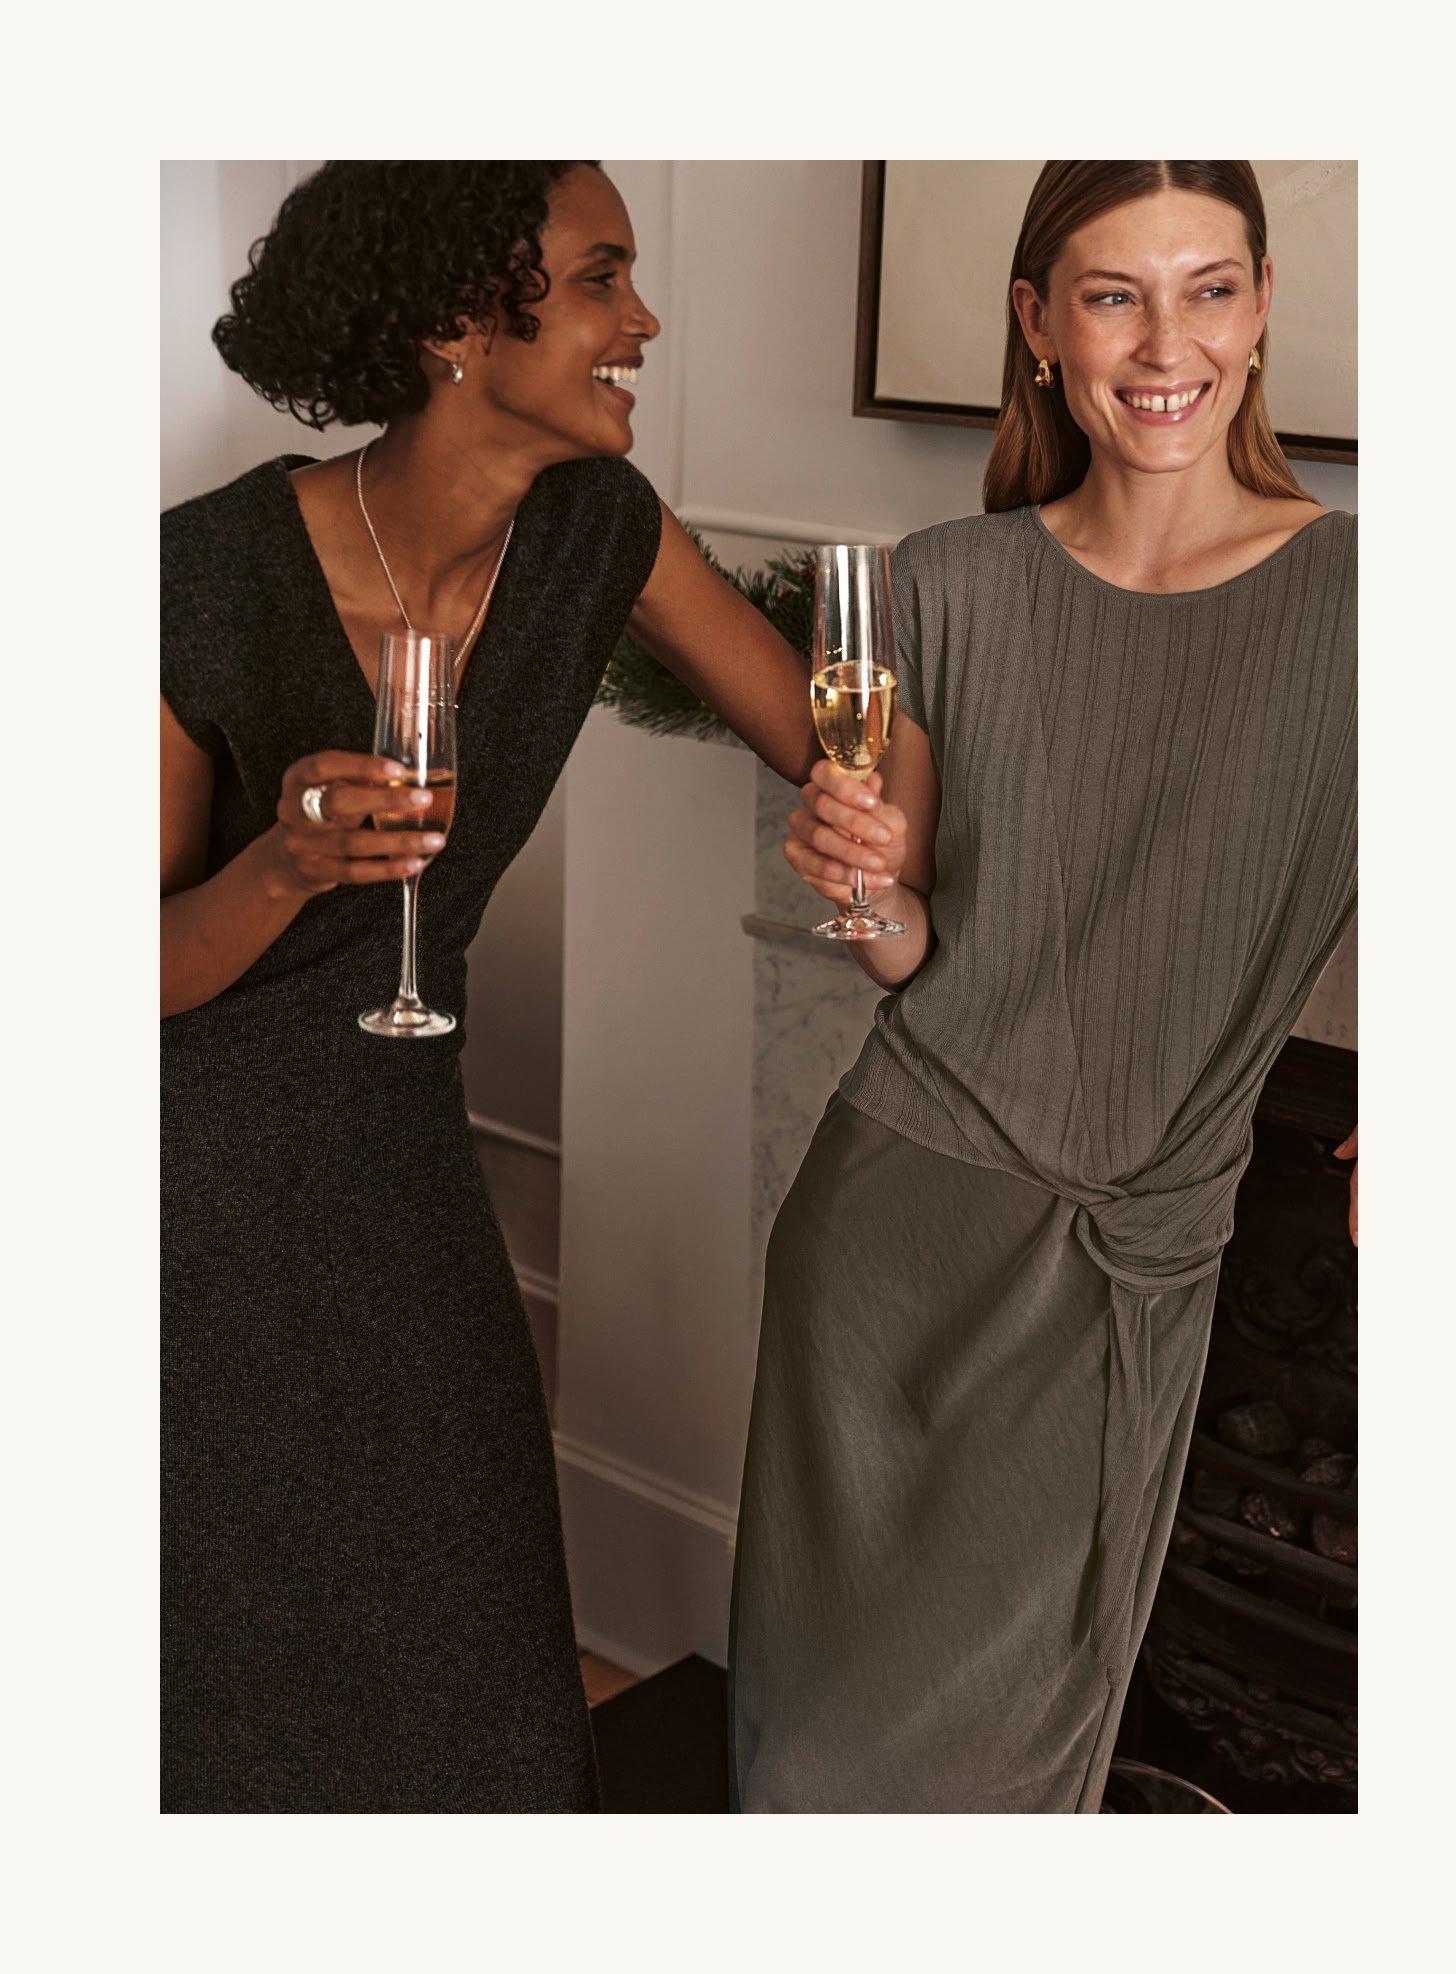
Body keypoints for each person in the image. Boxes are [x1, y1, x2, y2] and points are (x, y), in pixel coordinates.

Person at [160, 161, 814, 1812]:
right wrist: (285, 866)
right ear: (463, 320)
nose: (640, 319)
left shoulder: (600, 529)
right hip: (182, 1176)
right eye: (602, 278)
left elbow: (827, 734)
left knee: (488, 1668)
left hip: (393, 1145)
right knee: (230, 1668)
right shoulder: (200, 579)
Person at [730, 160, 1359, 1812]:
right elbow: (904, 946)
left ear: (1263, 304)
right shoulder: (940, 581)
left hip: (1122, 1253)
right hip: (886, 1230)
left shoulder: (1380, 606)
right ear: (1036, 326)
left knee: (1010, 1765)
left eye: (1209, 287)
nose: (1167, 343)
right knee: (805, 1764)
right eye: (1112, 293)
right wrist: (852, 872)